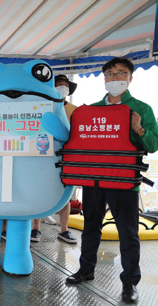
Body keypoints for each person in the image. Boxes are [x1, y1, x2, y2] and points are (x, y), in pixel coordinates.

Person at [65, 57, 158, 303]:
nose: (115, 78)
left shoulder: (141, 109)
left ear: (130, 77)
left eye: (120, 73)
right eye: (110, 74)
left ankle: (129, 283)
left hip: (124, 181)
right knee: (90, 228)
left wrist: (139, 128)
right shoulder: (90, 110)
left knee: (128, 234)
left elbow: (154, 144)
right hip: (94, 180)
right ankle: (86, 270)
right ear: (104, 78)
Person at [29, 75, 79, 244]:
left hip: (67, 157)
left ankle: (64, 230)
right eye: (58, 84)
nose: (62, 87)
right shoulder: (42, 106)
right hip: (42, 156)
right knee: (37, 190)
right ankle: (36, 227)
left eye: (65, 85)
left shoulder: (75, 109)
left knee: (65, 193)